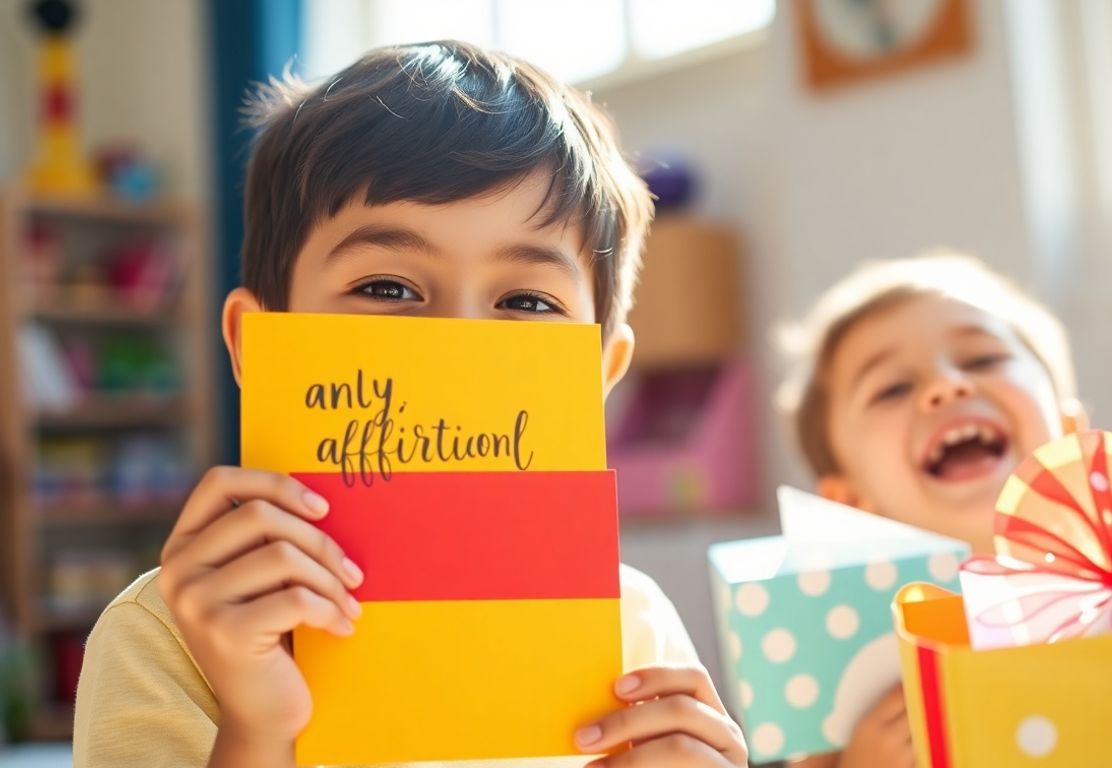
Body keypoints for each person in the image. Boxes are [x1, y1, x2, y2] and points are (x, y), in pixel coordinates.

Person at [73, 40, 747, 768]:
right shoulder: (167, 636)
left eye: (525, 300)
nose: (457, 345)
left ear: (599, 374)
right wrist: (257, 732)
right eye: (388, 288)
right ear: (253, 345)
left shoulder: (632, 635)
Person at [776, 252, 1085, 767]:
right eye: (893, 388)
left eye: (983, 359)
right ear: (851, 504)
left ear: (1070, 433)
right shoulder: (843, 663)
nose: (947, 385)